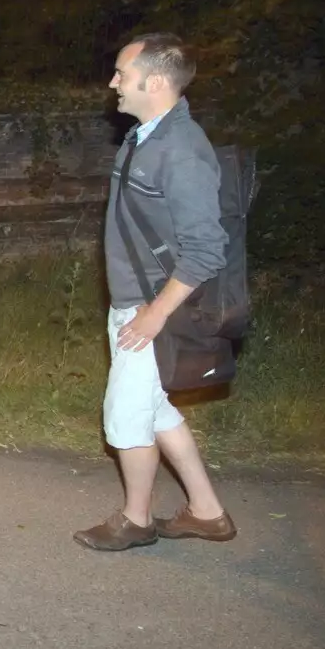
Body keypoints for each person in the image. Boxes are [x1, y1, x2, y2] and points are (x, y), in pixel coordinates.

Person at [74, 34, 236, 550]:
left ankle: (136, 520)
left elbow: (207, 249)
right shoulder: (145, 136)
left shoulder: (182, 152)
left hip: (152, 310)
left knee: (126, 417)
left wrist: (155, 315)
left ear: (156, 81)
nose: (112, 83)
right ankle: (207, 512)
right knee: (156, 410)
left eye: (122, 73)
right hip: (135, 301)